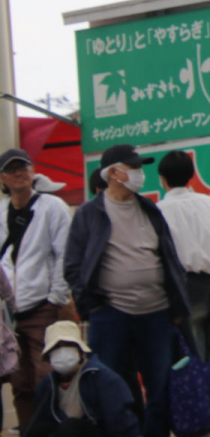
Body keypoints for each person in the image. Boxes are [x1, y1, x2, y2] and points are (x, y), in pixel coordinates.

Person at [62, 144, 189, 437]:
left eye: (139, 167)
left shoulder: (149, 208)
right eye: (132, 168)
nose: (138, 174)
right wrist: (92, 305)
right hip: (110, 316)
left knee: (160, 388)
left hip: (156, 314)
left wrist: (177, 305)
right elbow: (73, 265)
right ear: (113, 173)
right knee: (112, 387)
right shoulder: (89, 214)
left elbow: (169, 257)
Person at [1, 148, 74, 432]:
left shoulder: (51, 207)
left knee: (47, 376)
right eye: (12, 169)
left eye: (24, 167)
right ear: (2, 178)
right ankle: (29, 430)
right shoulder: (0, 210)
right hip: (8, 313)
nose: (19, 173)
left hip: (42, 305)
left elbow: (64, 254)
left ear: (33, 171)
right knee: (19, 381)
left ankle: (52, 431)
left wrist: (57, 296)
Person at [155, 150, 210, 365]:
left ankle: (203, 397)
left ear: (162, 179)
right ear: (191, 175)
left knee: (193, 353)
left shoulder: (160, 210)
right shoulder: (209, 203)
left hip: (184, 286)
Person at [27, 320, 139, 437]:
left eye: (68, 345)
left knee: (70, 427)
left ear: (80, 351)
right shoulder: (46, 386)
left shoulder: (103, 378)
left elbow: (122, 424)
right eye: (56, 348)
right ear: (49, 356)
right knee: (37, 429)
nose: (62, 352)